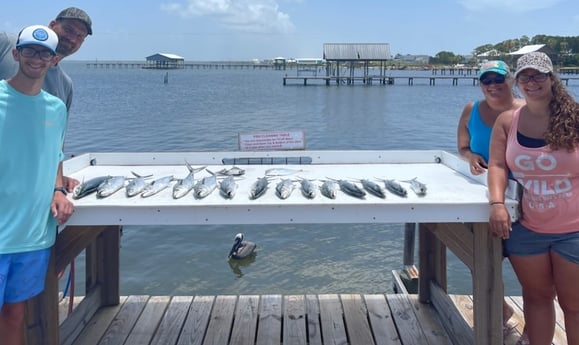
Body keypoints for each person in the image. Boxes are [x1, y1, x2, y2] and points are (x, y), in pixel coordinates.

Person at [488, 51, 579, 345]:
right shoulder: (507, 121)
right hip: (527, 229)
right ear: (517, 82)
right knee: (536, 298)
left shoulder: (575, 118)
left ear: (552, 78)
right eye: (525, 76)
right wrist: (498, 204)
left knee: (574, 306)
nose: (532, 82)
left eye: (539, 75)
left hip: (574, 230)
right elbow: (498, 165)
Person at [0, 24, 75, 345]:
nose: (36, 58)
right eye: (29, 50)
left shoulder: (56, 108)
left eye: (45, 53)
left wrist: (58, 188)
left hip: (33, 235)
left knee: (15, 315)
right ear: (16, 54)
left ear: (54, 61)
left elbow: (55, 152)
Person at [456, 60, 528, 341]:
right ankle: (501, 311)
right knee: (485, 259)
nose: (493, 86)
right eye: (486, 81)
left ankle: (535, 326)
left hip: (523, 195)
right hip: (485, 194)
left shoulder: (525, 110)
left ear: (510, 80)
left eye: (498, 79)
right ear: (479, 84)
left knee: (529, 266)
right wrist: (471, 157)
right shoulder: (471, 110)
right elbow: (462, 148)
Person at [0, 7, 93, 192]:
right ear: (52, 25)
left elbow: (55, 143)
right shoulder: (6, 43)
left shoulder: (65, 85)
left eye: (80, 36)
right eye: (68, 30)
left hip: (27, 186)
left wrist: (57, 181)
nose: (73, 38)